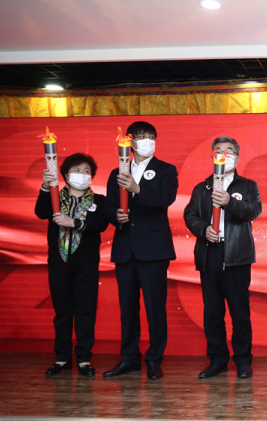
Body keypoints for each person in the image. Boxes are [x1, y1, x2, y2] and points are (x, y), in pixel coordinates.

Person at [103, 121, 178, 380]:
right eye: (142, 136)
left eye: (152, 136)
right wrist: (115, 216)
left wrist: (137, 188)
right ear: (130, 141)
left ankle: (155, 358)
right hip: (125, 248)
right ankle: (129, 357)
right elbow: (109, 205)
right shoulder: (117, 172)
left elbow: (166, 198)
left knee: (155, 307)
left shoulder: (166, 169)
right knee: (127, 308)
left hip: (153, 249)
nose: (148, 141)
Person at [184, 136, 262, 379]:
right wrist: (203, 229)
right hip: (210, 255)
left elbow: (253, 210)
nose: (224, 154)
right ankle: (217, 360)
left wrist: (229, 202)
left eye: (229, 151)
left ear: (237, 157)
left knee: (240, 312)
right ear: (212, 156)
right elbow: (190, 215)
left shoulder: (247, 186)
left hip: (237, 256)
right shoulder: (202, 188)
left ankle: (243, 361)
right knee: (213, 312)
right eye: (219, 150)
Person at [35, 153, 108, 377]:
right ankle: (62, 358)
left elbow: (100, 224)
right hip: (60, 262)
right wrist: (46, 187)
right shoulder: (55, 196)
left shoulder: (99, 200)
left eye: (87, 171)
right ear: (66, 175)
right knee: (62, 311)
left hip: (87, 264)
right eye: (77, 170)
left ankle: (84, 359)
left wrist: (73, 222)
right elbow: (41, 212)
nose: (82, 175)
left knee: (85, 311)